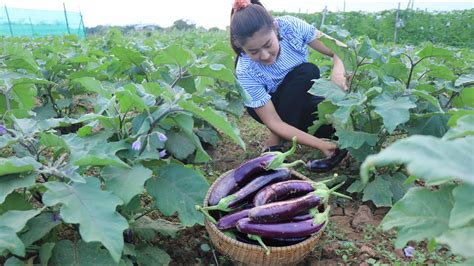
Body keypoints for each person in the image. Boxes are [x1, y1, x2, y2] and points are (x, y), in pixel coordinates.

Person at [230, 0, 348, 171]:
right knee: (307, 71)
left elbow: (340, 49)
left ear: (275, 28)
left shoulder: (291, 26)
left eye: (268, 45)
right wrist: (318, 144)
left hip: (301, 100)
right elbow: (274, 121)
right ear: (242, 47)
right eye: (253, 51)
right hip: (272, 108)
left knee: (331, 127)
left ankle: (275, 141)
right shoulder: (244, 70)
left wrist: (337, 74)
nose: (264, 55)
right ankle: (276, 139)